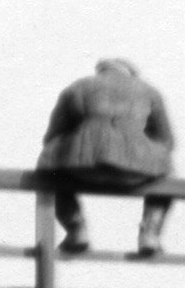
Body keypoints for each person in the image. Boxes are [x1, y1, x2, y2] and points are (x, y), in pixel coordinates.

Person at [36, 58, 177, 258]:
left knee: (49, 171)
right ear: (130, 73)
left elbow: (52, 135)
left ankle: (76, 229)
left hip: (83, 167)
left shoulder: (76, 87)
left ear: (100, 71)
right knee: (168, 176)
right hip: (135, 170)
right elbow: (166, 140)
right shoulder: (150, 91)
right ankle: (150, 233)